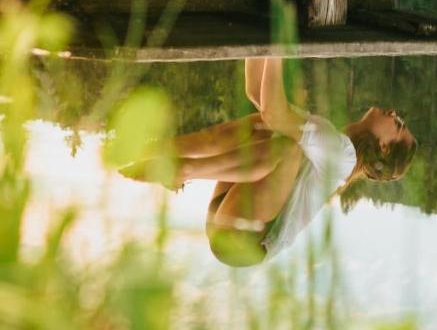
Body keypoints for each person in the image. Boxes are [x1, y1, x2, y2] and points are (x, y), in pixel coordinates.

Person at [118, 56, 417, 266]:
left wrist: (278, 44)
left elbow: (276, 113)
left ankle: (183, 169)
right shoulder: (332, 144)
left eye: (398, 124)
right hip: (229, 222)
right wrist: (260, 39)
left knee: (287, 144)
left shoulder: (342, 155)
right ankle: (159, 150)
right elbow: (259, 98)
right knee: (264, 127)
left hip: (247, 240)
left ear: (385, 147)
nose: (394, 115)